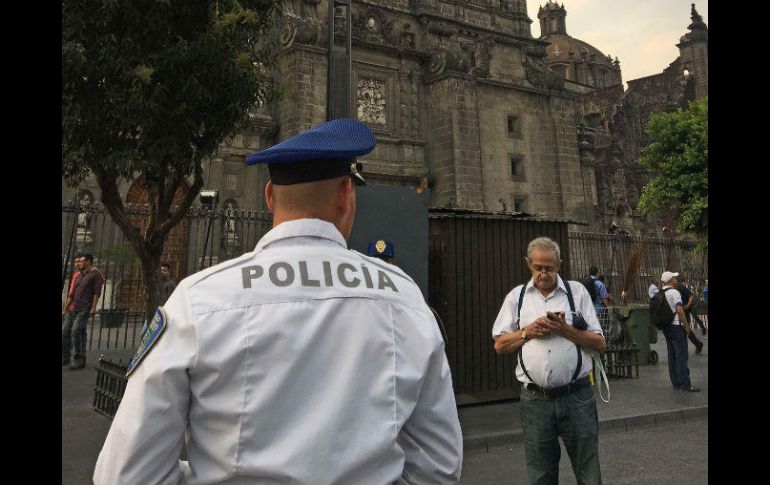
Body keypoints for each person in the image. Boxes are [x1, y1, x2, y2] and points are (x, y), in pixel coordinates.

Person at [94, 119, 463, 484]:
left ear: (269, 196)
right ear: (346, 195)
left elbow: (126, 474)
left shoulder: (200, 299)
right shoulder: (403, 298)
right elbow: (439, 465)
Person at [492, 236, 606, 485]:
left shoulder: (577, 292)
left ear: (559, 264)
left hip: (577, 396)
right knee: (540, 473)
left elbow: (600, 344)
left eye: (549, 268)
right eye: (538, 268)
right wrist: (528, 331)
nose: (543, 274)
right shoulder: (517, 297)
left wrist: (565, 329)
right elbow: (500, 345)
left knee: (588, 470)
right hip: (535, 401)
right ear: (528, 264)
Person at [61, 253, 104, 370]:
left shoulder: (96, 274)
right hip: (72, 309)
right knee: (65, 332)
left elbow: (97, 292)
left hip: (84, 308)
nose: (79, 263)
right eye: (78, 261)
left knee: (76, 330)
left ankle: (79, 359)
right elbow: (72, 294)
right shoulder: (79, 275)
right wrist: (65, 309)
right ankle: (65, 357)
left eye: (81, 261)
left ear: (88, 261)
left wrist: (93, 307)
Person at [659, 271, 700, 392]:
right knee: (681, 356)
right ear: (670, 280)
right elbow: (679, 310)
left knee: (671, 355)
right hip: (677, 326)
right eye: (674, 277)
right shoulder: (674, 292)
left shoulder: (660, 293)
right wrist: (686, 326)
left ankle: (676, 383)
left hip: (667, 327)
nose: (676, 278)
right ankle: (685, 384)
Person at [676, 275, 707, 347]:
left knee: (694, 318)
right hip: (686, 308)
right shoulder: (679, 287)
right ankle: (698, 343)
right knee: (688, 325)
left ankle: (702, 329)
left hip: (691, 306)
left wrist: (687, 305)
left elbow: (691, 296)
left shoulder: (682, 287)